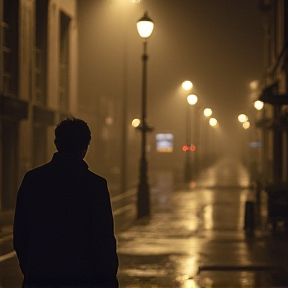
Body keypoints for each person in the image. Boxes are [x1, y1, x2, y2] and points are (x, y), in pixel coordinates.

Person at [13, 117, 119, 288]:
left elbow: (21, 234)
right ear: (85, 147)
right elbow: (103, 240)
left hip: (40, 278)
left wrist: (32, 270)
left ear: (56, 143)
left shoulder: (33, 180)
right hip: (83, 279)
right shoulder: (95, 185)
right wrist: (108, 279)